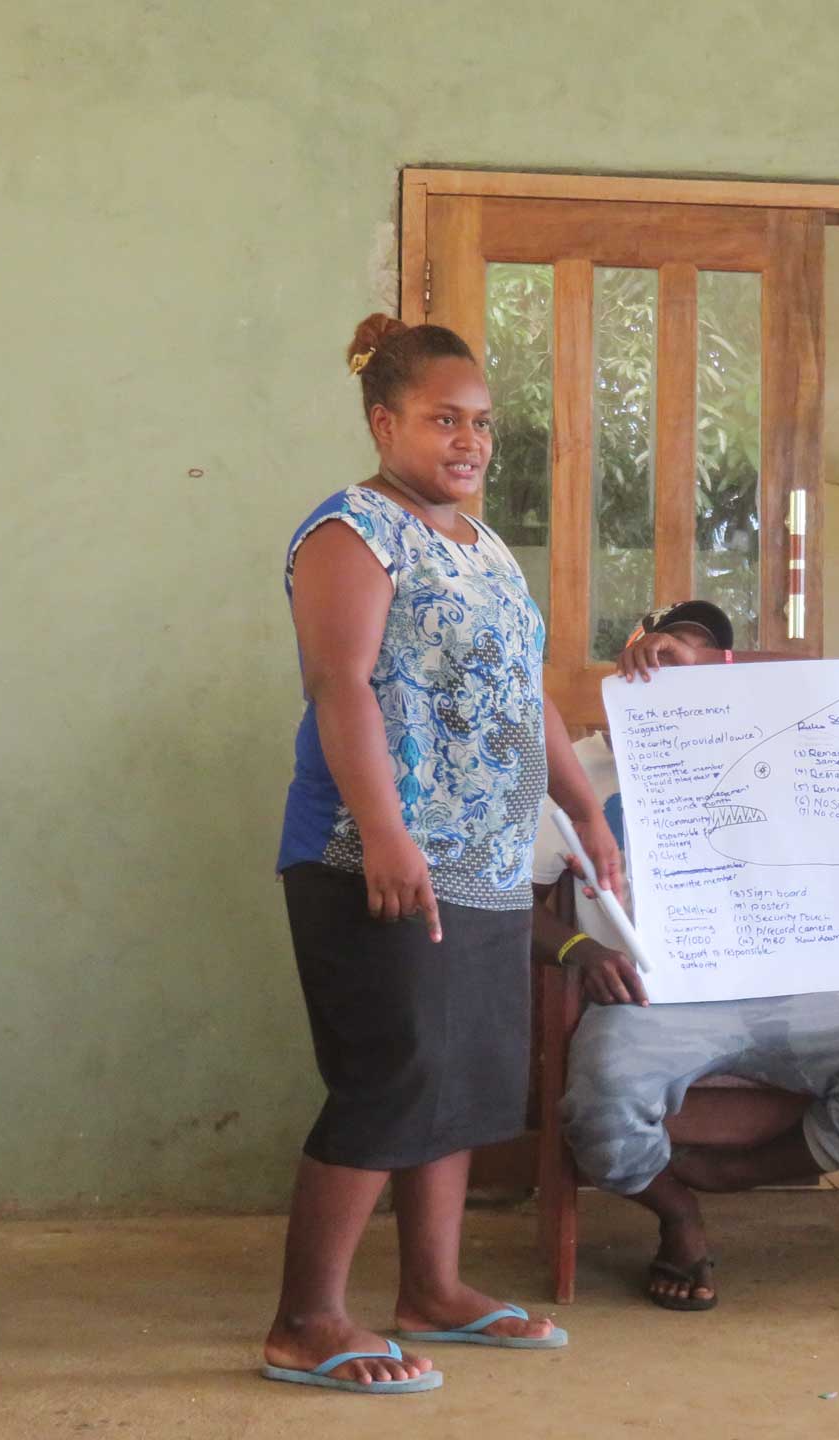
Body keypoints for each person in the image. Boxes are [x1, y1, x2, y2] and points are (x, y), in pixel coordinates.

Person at [262, 315, 624, 1394]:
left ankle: (433, 1289)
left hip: (487, 858)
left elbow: (530, 697)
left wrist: (584, 809)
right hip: (370, 853)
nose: (467, 442)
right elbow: (342, 686)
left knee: (465, 1076)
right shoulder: (352, 532)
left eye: (479, 425)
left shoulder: (484, 546)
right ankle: (305, 1319)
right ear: (385, 422)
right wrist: (384, 830)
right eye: (441, 421)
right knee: (390, 1075)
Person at [532, 604, 839, 1312]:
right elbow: (513, 903)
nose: (676, 666)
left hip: (779, 983)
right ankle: (676, 1213)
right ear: (633, 657)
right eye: (664, 651)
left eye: (702, 658)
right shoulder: (579, 772)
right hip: (650, 996)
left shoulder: (771, 756)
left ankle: (725, 1173)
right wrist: (579, 946)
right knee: (601, 1109)